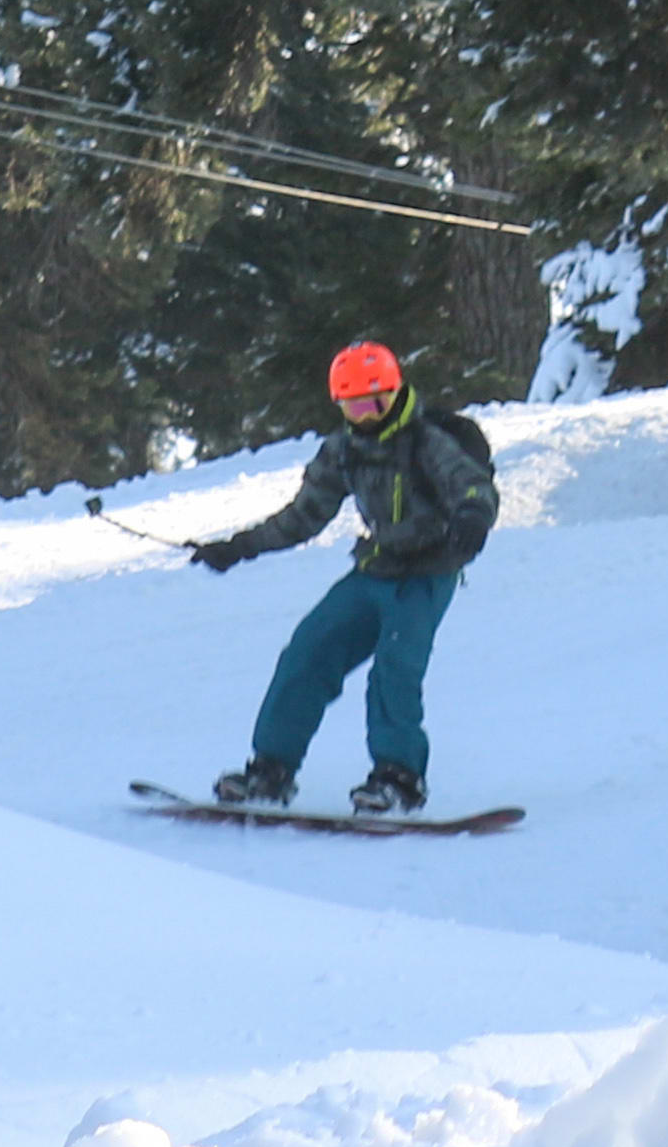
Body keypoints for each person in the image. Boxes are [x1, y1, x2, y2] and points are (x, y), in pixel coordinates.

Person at [193, 339, 501, 813]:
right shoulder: (343, 449)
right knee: (307, 653)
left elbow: (474, 488)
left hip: (425, 576)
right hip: (375, 569)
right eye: (352, 406)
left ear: (394, 393)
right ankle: (270, 771)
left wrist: (473, 519)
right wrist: (238, 547)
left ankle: (399, 779)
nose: (364, 416)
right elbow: (303, 516)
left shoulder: (426, 442)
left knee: (395, 670)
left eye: (373, 403)